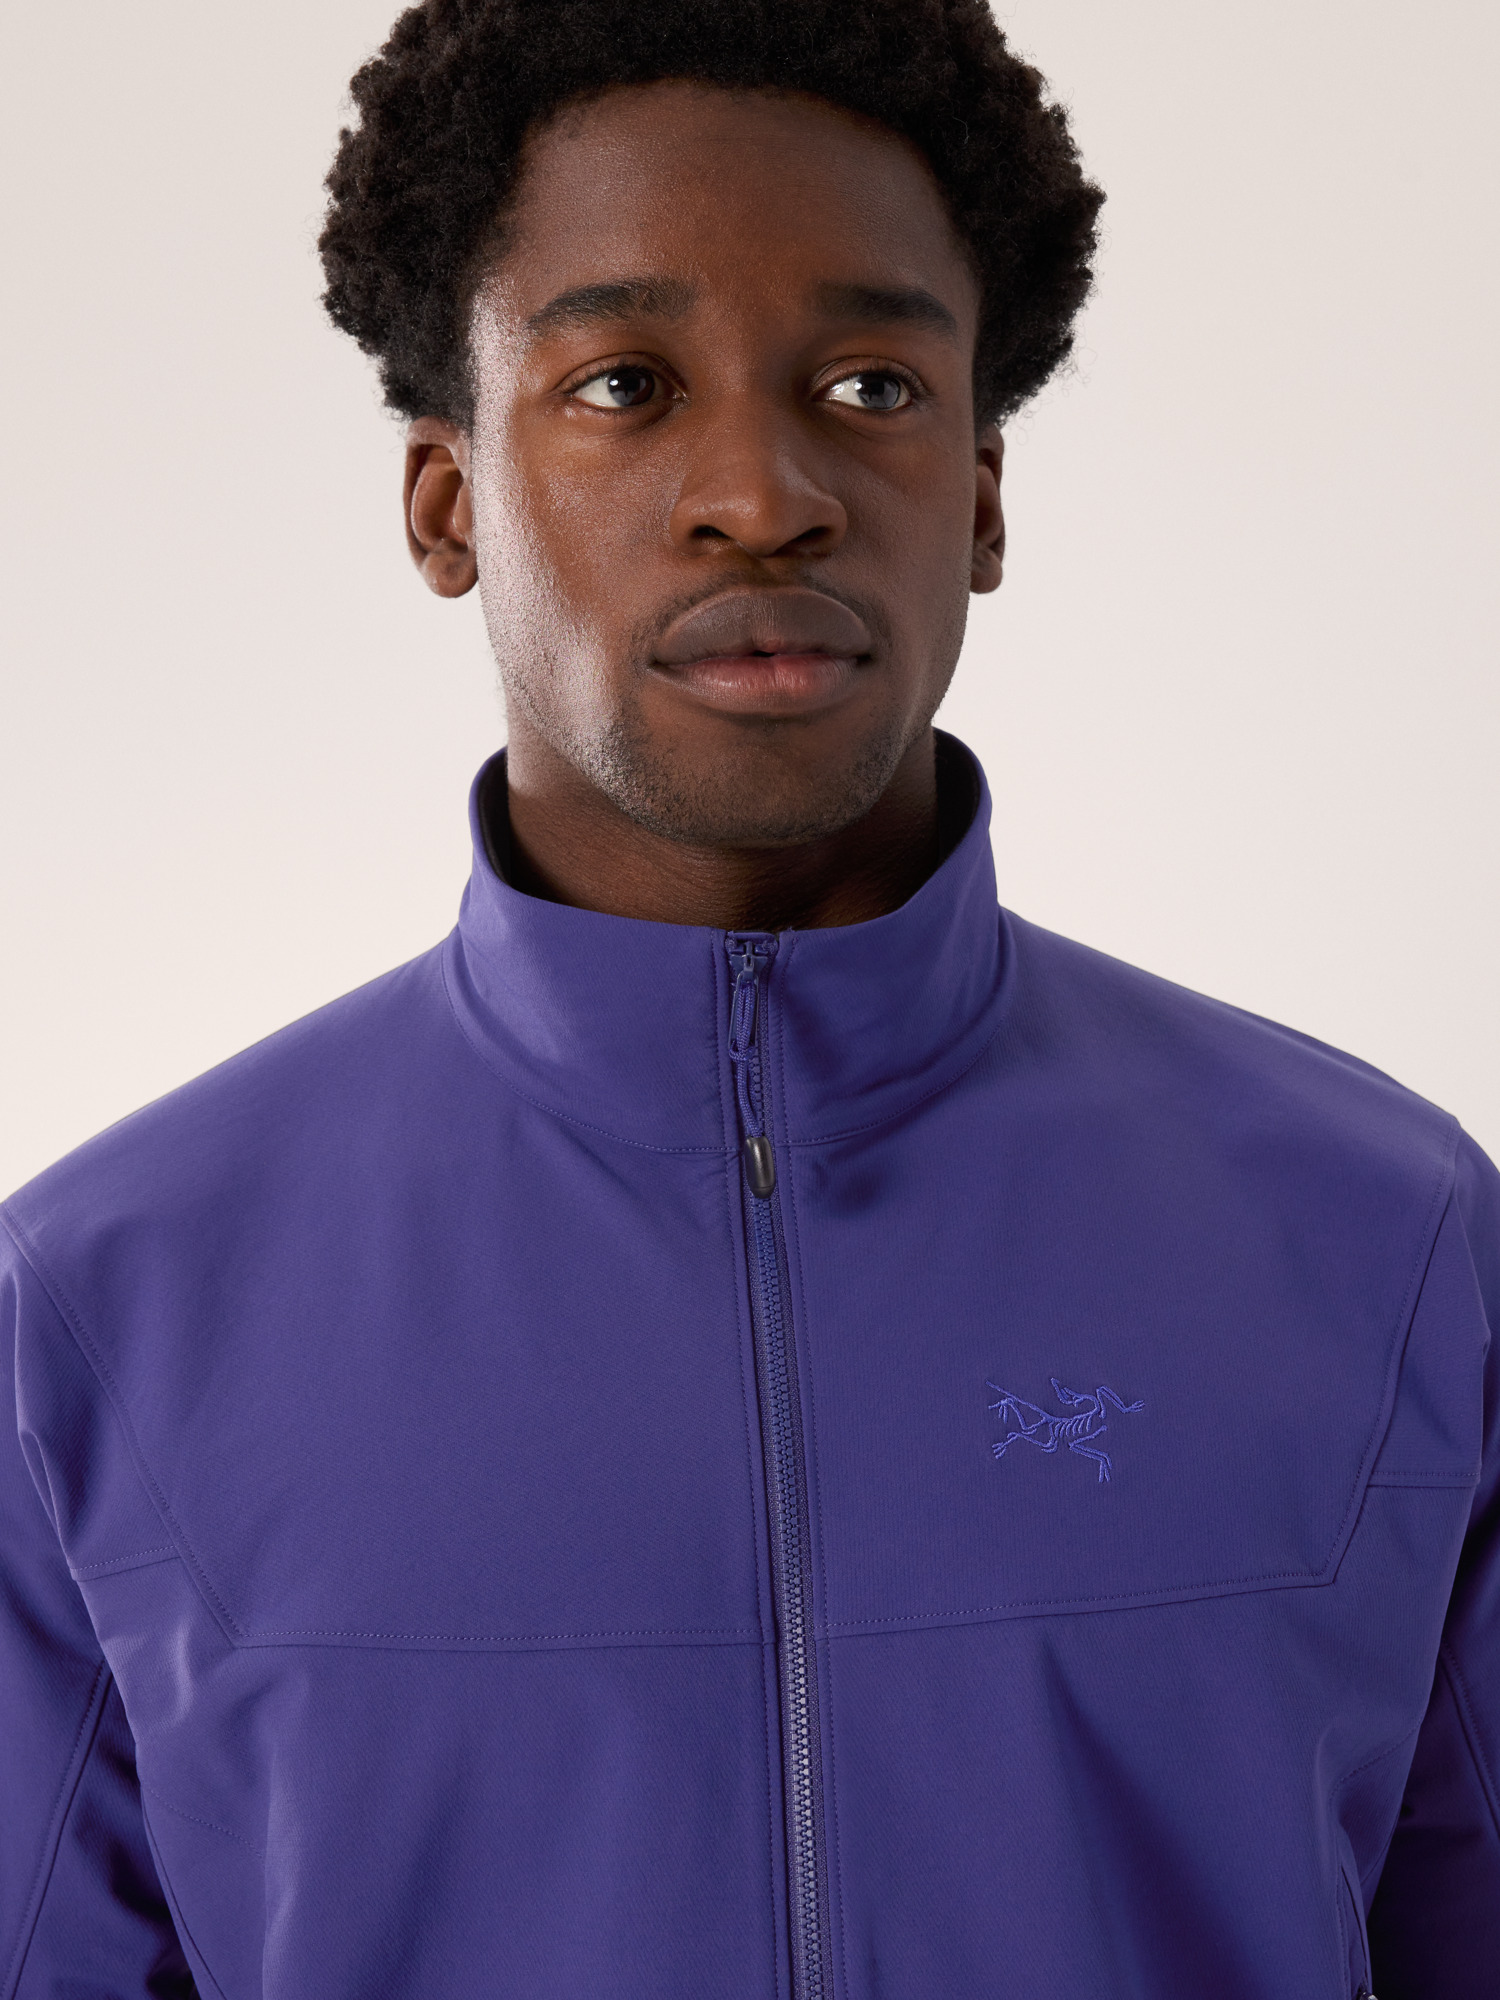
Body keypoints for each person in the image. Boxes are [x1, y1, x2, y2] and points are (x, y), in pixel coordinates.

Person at [2, 0, 1495, 1993]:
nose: (764, 491)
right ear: (448, 502)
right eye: (624, 384)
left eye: (872, 384)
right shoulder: (98, 1314)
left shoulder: (1386, 1237)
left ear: (982, 491)